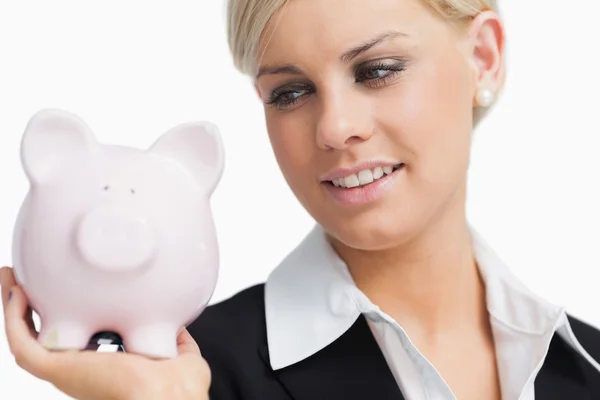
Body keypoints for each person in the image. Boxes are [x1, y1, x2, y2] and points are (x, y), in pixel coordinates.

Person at [2, 0, 600, 399]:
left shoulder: (588, 365)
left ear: (482, 59)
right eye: (290, 92)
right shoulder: (189, 376)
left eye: (377, 69)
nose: (334, 128)